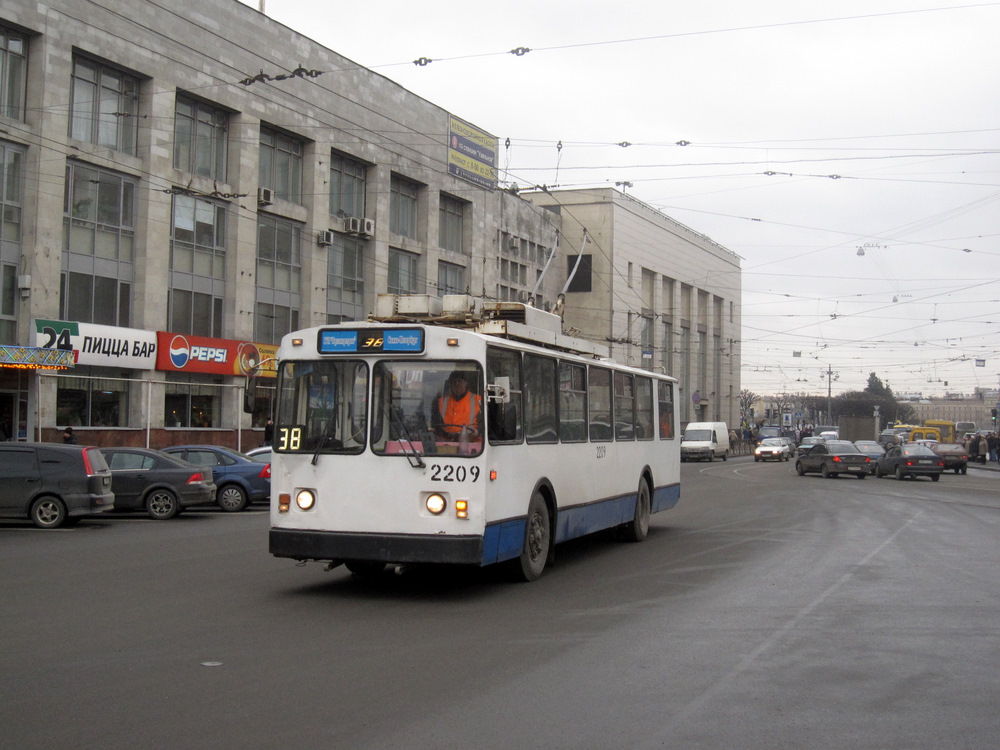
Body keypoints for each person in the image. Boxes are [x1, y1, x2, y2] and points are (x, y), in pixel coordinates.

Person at [432, 371, 483, 440]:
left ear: (466, 383)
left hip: (471, 442)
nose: (457, 384)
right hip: (445, 442)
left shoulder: (478, 400)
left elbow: (485, 422)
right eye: (454, 382)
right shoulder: (441, 401)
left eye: (460, 381)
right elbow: (435, 422)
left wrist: (478, 431)